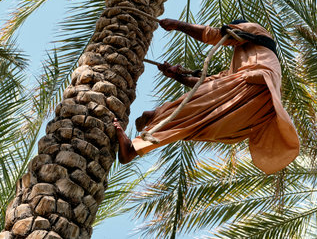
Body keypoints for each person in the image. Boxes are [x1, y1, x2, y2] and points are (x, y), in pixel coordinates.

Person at [114, 18, 299, 174]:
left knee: (189, 110)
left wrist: (178, 25)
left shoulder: (255, 31)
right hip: (254, 114)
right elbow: (206, 85)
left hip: (257, 86)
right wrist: (177, 75)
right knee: (188, 124)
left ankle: (155, 116)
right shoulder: (236, 71)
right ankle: (134, 147)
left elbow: (214, 35)